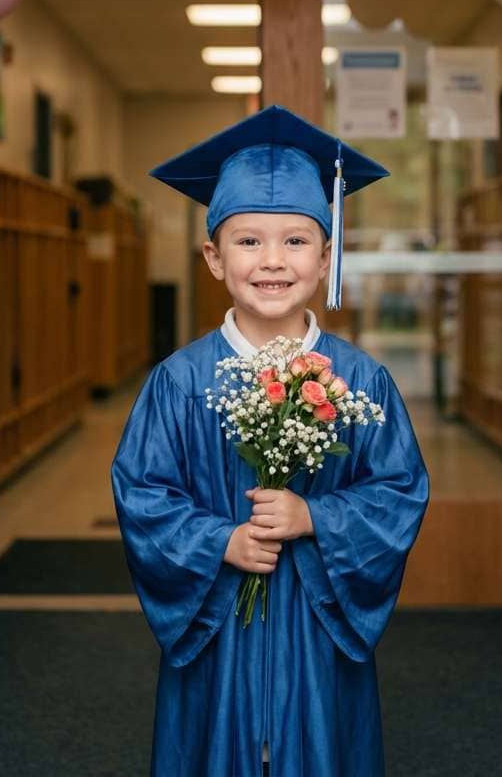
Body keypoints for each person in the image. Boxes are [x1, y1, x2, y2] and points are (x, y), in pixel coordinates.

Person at [111, 104, 430, 777]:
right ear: (213, 256)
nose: (272, 261)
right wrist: (219, 541)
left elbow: (399, 490)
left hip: (317, 622)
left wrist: (315, 516)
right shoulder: (179, 381)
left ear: (325, 258)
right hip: (220, 621)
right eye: (249, 241)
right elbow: (142, 492)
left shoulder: (359, 378)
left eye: (295, 241)